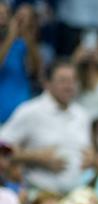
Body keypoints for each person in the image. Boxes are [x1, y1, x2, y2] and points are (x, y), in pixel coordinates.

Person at [0, 60, 91, 194]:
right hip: (38, 195)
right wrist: (34, 157)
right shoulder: (30, 111)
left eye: (73, 80)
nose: (69, 86)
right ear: (47, 83)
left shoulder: (82, 115)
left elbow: (88, 152)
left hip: (74, 196)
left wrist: (91, 159)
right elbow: (1, 147)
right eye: (63, 81)